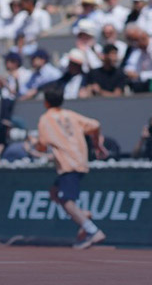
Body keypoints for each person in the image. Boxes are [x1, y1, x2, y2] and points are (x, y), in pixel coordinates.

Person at [35, 89, 107, 250]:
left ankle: (93, 231)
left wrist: (33, 145)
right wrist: (96, 144)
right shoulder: (71, 115)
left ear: (46, 102)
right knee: (55, 192)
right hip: (79, 160)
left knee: (67, 202)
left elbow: (41, 146)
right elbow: (95, 125)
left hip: (69, 163)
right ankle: (83, 216)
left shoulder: (45, 119)